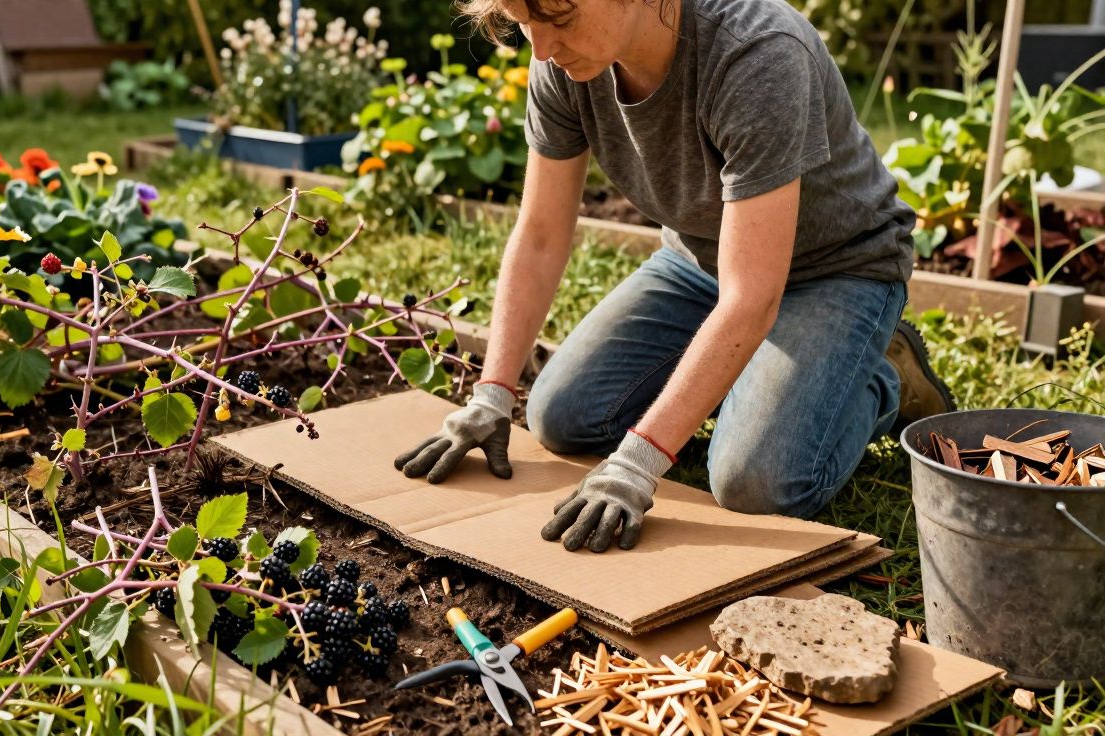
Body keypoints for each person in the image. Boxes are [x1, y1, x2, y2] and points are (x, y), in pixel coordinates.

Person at [393, 0, 955, 553]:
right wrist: (492, 394)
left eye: (559, 19)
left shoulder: (756, 54)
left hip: (838, 269)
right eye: (524, 23)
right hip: (699, 262)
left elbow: (752, 296)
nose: (540, 48)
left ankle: (880, 378)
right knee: (558, 417)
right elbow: (540, 234)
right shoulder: (561, 65)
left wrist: (639, 462)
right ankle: (748, 375)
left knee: (754, 482)